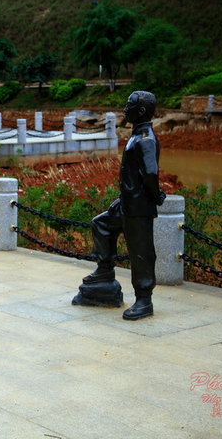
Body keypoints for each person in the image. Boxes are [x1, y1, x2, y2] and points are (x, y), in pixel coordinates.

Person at [72, 91, 166, 320]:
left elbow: (151, 173)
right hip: (127, 202)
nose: (125, 109)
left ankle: (144, 300)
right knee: (101, 224)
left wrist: (155, 196)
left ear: (141, 111)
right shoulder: (137, 135)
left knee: (140, 252)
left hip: (139, 207)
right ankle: (104, 271)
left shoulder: (146, 139)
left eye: (129, 105)